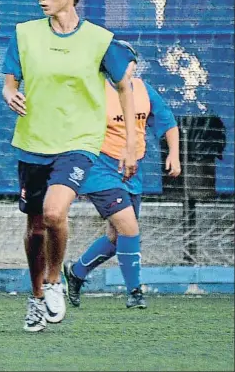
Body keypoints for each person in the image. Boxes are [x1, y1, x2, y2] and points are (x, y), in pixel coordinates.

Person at [2, 0, 138, 332]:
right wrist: (8, 92)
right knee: (35, 230)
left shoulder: (100, 40)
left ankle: (54, 281)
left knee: (55, 212)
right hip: (32, 141)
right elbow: (10, 80)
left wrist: (129, 145)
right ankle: (35, 297)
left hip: (79, 141)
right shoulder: (24, 34)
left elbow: (124, 88)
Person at [64, 62, 181, 309]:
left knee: (117, 238)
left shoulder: (143, 90)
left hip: (132, 170)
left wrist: (174, 154)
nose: (124, 67)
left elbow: (168, 122)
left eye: (128, 62)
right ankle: (135, 292)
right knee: (129, 229)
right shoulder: (95, 92)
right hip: (100, 168)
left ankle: (76, 272)